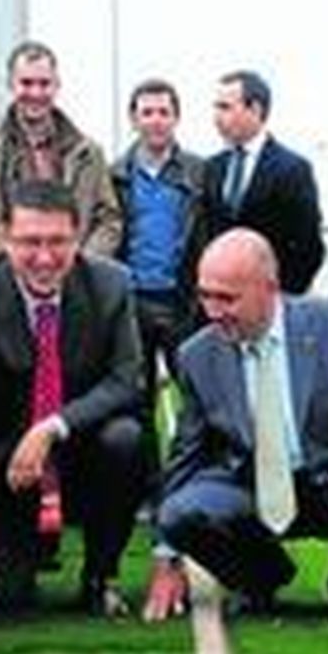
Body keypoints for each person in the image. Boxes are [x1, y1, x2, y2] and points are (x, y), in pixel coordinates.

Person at [142, 229, 328, 625]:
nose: (212, 310)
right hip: (248, 488)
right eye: (205, 295)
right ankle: (261, 578)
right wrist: (167, 556)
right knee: (179, 513)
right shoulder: (197, 355)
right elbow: (186, 456)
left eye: (227, 298)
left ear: (269, 289)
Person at [0, 180, 146, 616]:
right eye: (30, 242)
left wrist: (53, 426)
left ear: (78, 236)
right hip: (6, 470)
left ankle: (101, 575)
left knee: (125, 438)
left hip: (80, 456)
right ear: (4, 237)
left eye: (58, 242)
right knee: (1, 601)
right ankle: (19, 549)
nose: (44, 258)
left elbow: (126, 381)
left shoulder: (111, 285)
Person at [0, 40, 121, 273]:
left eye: (44, 83)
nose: (36, 93)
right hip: (0, 283)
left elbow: (109, 220)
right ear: (10, 85)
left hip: (69, 281)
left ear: (57, 85)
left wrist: (81, 266)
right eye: (26, 83)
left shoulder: (88, 152)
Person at [108, 78, 207, 488]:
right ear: (134, 118)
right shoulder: (115, 175)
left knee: (198, 395)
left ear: (176, 117)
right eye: (147, 112)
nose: (155, 120)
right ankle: (149, 488)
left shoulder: (200, 173)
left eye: (164, 112)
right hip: (131, 303)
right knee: (137, 401)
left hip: (184, 302)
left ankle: (191, 477)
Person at [196, 70, 323, 295]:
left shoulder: (292, 170)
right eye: (216, 107)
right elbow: (202, 238)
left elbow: (308, 248)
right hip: (218, 308)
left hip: (268, 304)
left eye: (225, 107)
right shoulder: (212, 169)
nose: (216, 117)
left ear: (255, 109)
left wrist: (281, 299)